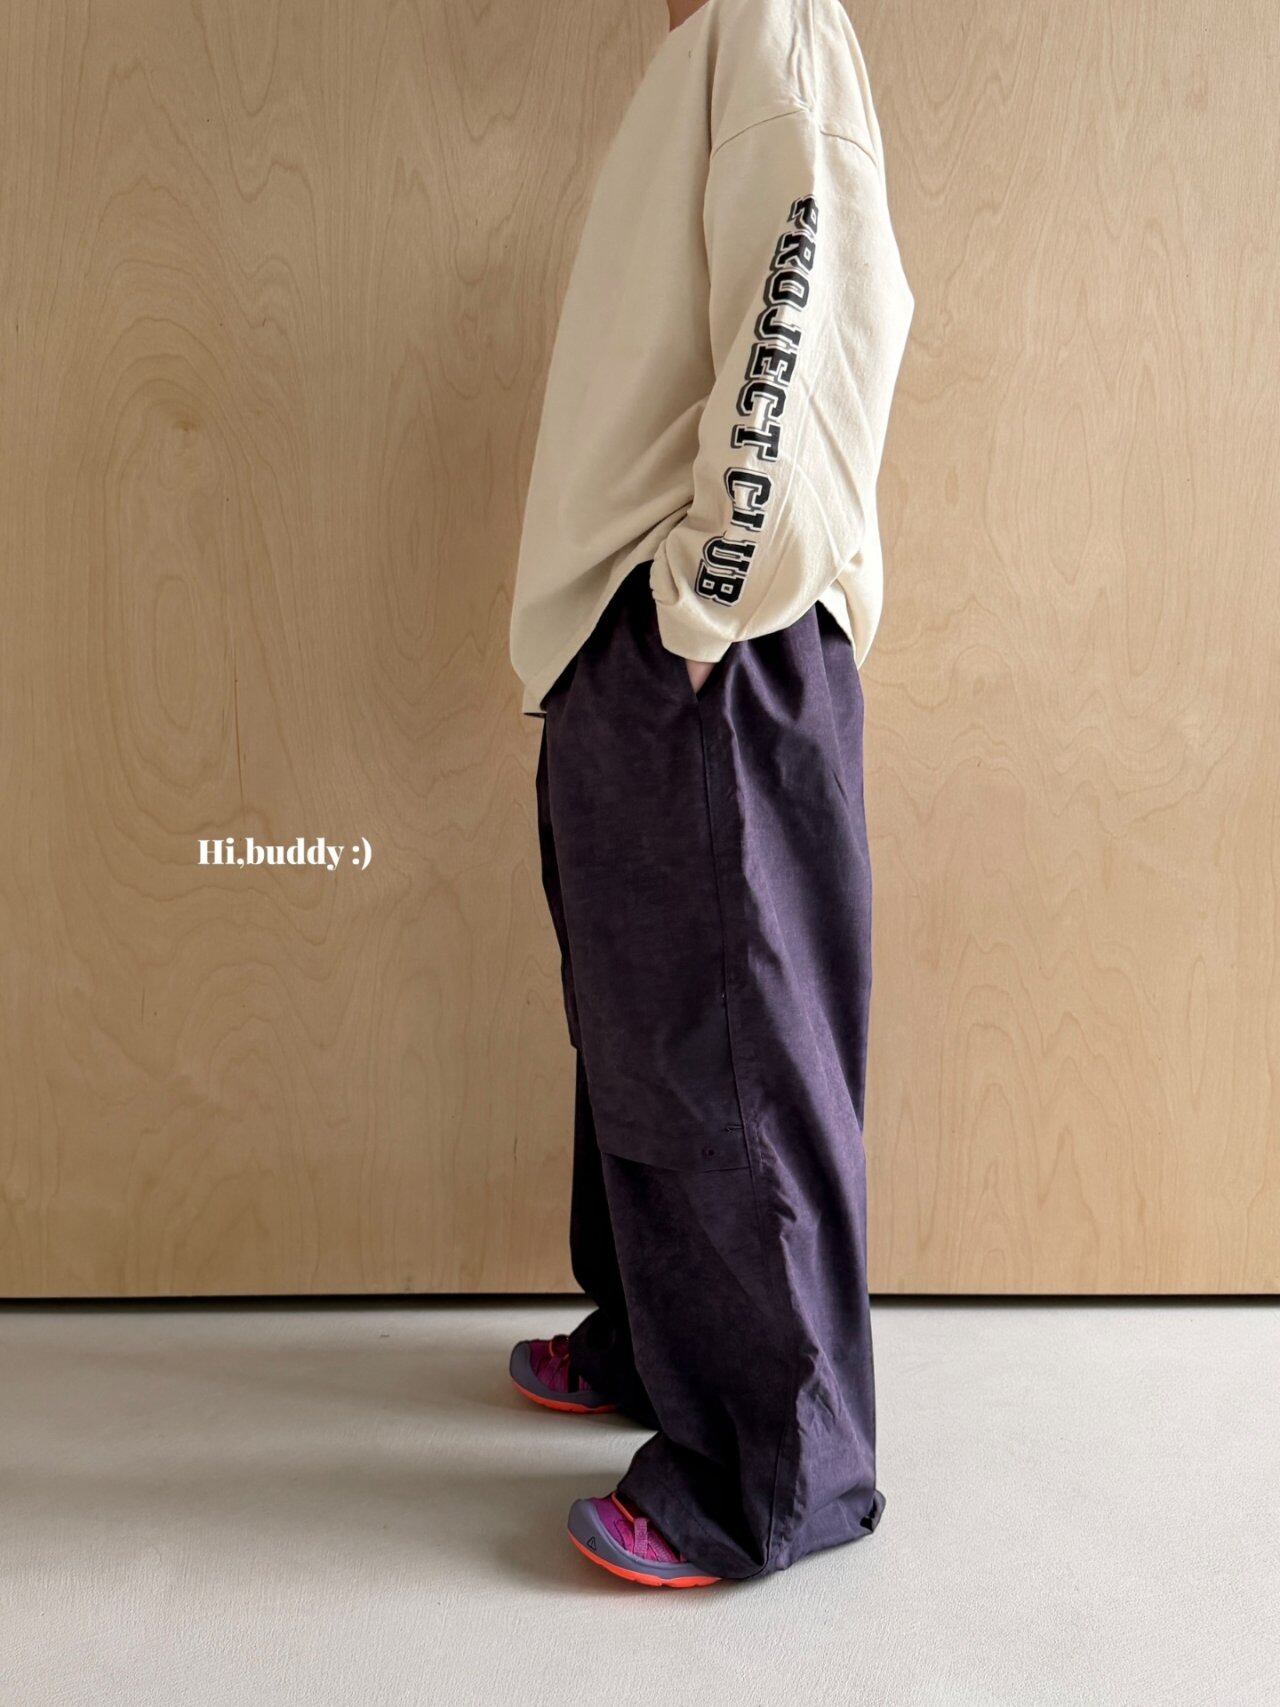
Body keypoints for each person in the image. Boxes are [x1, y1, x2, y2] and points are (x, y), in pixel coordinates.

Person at [508, 0, 914, 1588]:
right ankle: (653, 1341)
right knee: (646, 1029)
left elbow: (806, 308)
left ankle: (773, 1475)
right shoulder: (718, 43)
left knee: (724, 1054)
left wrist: (709, 598)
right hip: (643, 635)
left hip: (710, 641)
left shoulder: (772, 25)